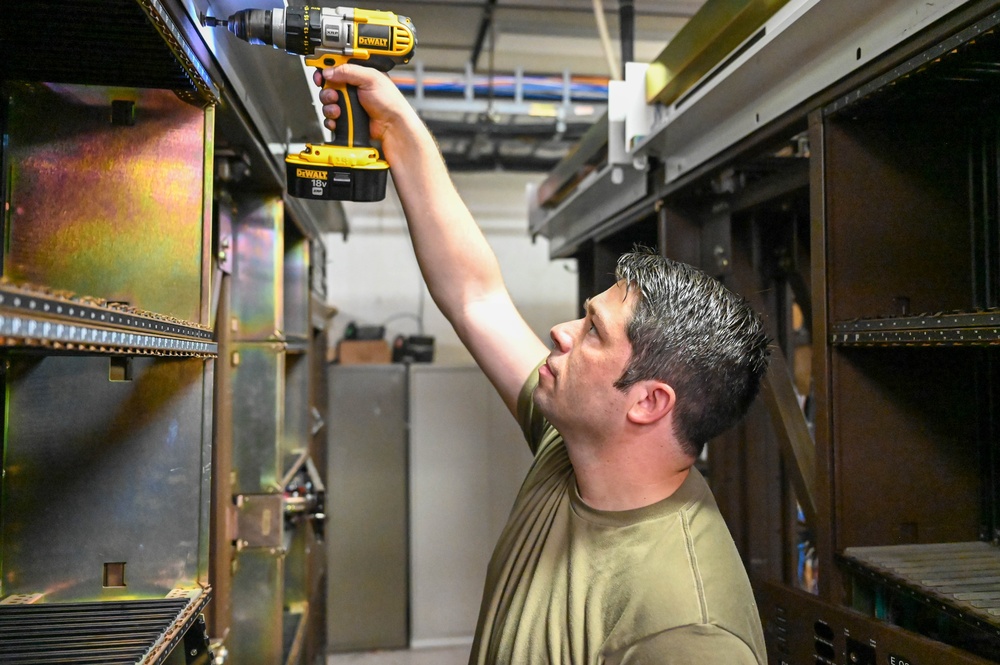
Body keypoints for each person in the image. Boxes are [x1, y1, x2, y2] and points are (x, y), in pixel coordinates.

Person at [314, 64, 771, 664]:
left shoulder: (687, 632)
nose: (560, 332)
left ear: (648, 402)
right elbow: (475, 298)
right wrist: (397, 127)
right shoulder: (573, 450)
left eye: (593, 331)